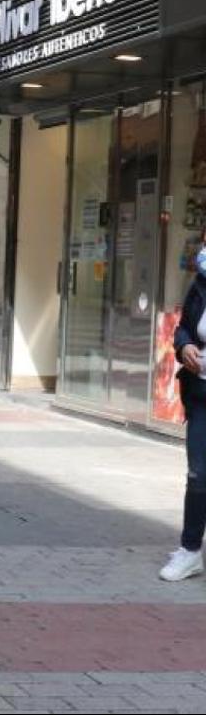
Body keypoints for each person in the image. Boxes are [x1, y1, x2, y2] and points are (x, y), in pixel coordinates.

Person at [163, 235, 206, 580]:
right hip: (201, 393)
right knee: (198, 474)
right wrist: (186, 346)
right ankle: (190, 550)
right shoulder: (202, 281)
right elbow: (182, 330)